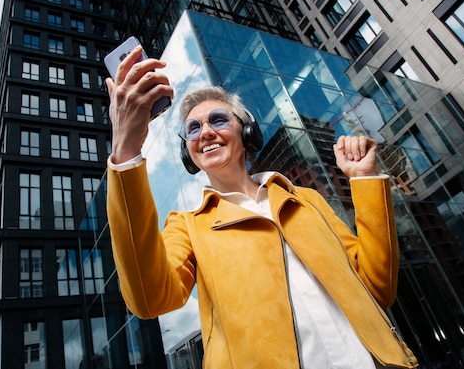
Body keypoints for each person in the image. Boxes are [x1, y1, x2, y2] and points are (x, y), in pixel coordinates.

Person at [105, 46, 418, 368]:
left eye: (218, 120)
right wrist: (126, 149)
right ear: (188, 152)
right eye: (193, 129)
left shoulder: (306, 200)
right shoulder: (187, 225)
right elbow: (149, 299)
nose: (206, 132)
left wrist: (365, 180)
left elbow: (377, 287)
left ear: (247, 131)